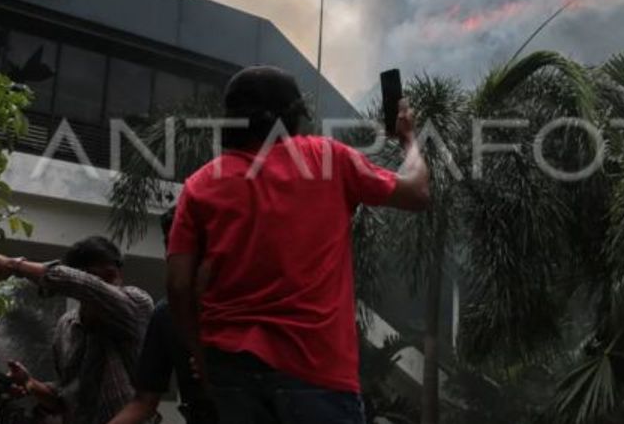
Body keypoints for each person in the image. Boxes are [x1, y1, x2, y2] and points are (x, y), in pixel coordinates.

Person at [166, 65, 431, 424]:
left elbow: (179, 284)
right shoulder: (328, 159)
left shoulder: (199, 185)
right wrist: (408, 139)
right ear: (290, 118)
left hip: (232, 372)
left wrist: (199, 353)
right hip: (316, 370)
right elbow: (417, 192)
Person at [0, 236, 154, 424]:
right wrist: (31, 384)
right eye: (96, 278)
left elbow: (88, 287)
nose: (106, 286)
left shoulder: (137, 303)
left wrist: (13, 265)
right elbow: (65, 399)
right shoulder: (65, 327)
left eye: (110, 277)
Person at [108, 211, 215, 424]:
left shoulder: (258, 300)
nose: (178, 252)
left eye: (190, 241)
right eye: (172, 243)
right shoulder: (166, 314)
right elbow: (144, 402)